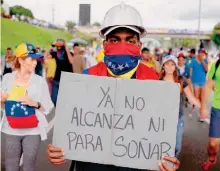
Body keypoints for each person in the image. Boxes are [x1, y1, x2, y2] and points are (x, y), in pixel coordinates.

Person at [47, 2, 180, 171]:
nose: (122, 45)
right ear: (105, 45)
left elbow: (157, 134)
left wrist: (166, 160)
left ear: (139, 46)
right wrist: (58, 150)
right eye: (115, 40)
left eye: (130, 40)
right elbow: (70, 133)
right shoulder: (85, 78)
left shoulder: (152, 80)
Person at [0, 43, 54, 171]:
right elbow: (4, 107)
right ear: (20, 60)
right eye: (32, 59)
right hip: (10, 129)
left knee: (29, 167)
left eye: (36, 59)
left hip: (33, 131)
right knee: (11, 167)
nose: (35, 63)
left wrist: (34, 103)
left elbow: (48, 107)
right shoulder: (7, 78)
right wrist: (2, 101)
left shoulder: (39, 81)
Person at [160, 55, 201, 157]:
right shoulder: (158, 81)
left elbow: (191, 98)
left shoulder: (181, 80)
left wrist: (203, 107)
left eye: (172, 64)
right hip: (162, 119)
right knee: (162, 144)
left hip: (178, 118)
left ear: (175, 67)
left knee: (177, 147)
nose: (170, 67)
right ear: (163, 66)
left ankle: (172, 165)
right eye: (167, 64)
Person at [200, 36, 220, 171]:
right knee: (213, 144)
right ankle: (211, 157)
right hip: (219, 109)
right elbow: (208, 86)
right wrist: (203, 107)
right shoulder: (217, 64)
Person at [44, 39, 74, 106]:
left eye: (60, 44)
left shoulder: (69, 53)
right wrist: (51, 46)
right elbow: (45, 58)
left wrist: (67, 48)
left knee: (64, 99)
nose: (58, 47)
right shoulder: (54, 54)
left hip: (66, 79)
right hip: (56, 78)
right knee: (53, 99)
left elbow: (71, 61)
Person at [189, 49, 209, 123]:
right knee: (196, 97)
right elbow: (190, 70)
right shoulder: (194, 61)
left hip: (203, 82)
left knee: (202, 98)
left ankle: (201, 114)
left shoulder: (205, 61)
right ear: (199, 53)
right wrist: (190, 80)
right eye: (201, 53)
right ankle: (197, 110)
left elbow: (206, 69)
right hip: (195, 82)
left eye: (203, 53)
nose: (202, 54)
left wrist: (203, 61)